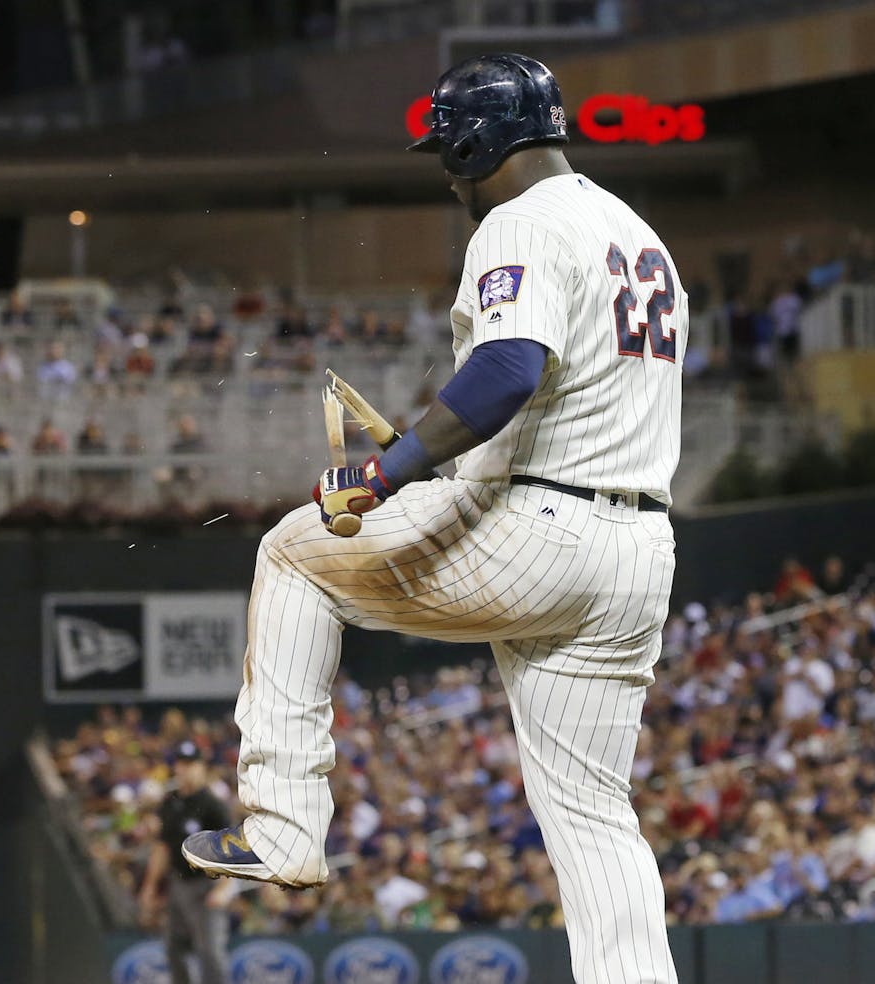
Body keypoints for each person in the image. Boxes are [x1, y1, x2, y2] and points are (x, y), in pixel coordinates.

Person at [181, 53, 685, 984]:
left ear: (477, 143)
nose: (446, 170)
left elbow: (508, 372)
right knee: (592, 814)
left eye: (448, 150)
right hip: (638, 549)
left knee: (292, 555)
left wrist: (387, 472)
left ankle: (286, 828)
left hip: (546, 529)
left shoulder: (519, 223)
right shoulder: (634, 232)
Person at [139, 741, 232, 984]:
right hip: (178, 885)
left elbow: (229, 849)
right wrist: (150, 886)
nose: (185, 769)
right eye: (181, 764)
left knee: (210, 952)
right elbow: (162, 847)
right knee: (173, 948)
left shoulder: (213, 806)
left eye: (191, 764)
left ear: (201, 768)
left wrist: (224, 887)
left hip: (207, 886)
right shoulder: (170, 804)